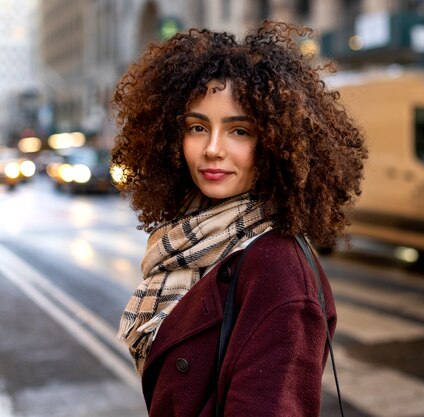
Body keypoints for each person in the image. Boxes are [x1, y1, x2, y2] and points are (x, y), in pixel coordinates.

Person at [111, 20, 367, 417]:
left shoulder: (277, 271)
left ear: (276, 142)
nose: (213, 149)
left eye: (239, 131)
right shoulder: (194, 241)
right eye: (197, 127)